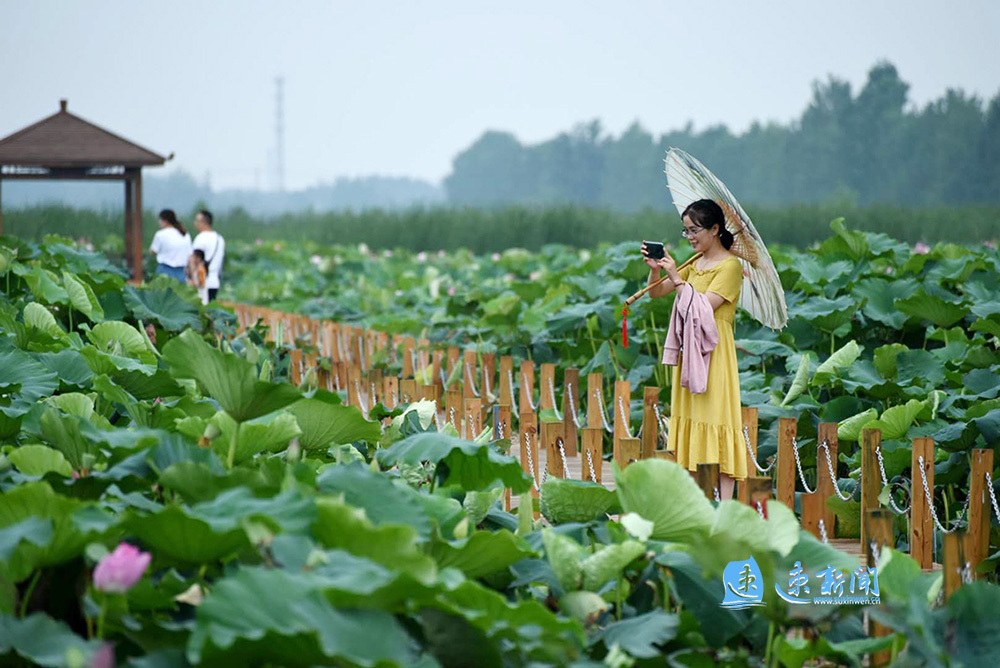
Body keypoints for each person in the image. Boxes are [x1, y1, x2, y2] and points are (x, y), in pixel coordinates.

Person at [641, 199, 747, 500]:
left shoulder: (730, 267)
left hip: (714, 352)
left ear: (715, 229)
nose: (689, 237)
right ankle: (691, 503)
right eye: (685, 231)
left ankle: (724, 506)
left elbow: (702, 308)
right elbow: (658, 293)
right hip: (691, 352)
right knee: (689, 420)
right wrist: (655, 270)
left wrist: (676, 277)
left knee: (718, 419)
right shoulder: (694, 262)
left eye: (694, 231)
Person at [191, 209, 225, 302]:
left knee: (202, 312)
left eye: (197, 221)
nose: (195, 223)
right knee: (211, 310)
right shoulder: (219, 238)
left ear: (203, 222)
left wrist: (192, 279)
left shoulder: (201, 237)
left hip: (202, 282)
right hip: (214, 282)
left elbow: (194, 259)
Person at [149, 210, 191, 281]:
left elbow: (153, 251)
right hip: (181, 272)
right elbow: (190, 254)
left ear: (165, 221)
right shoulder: (185, 234)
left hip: (165, 270)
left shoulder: (160, 234)